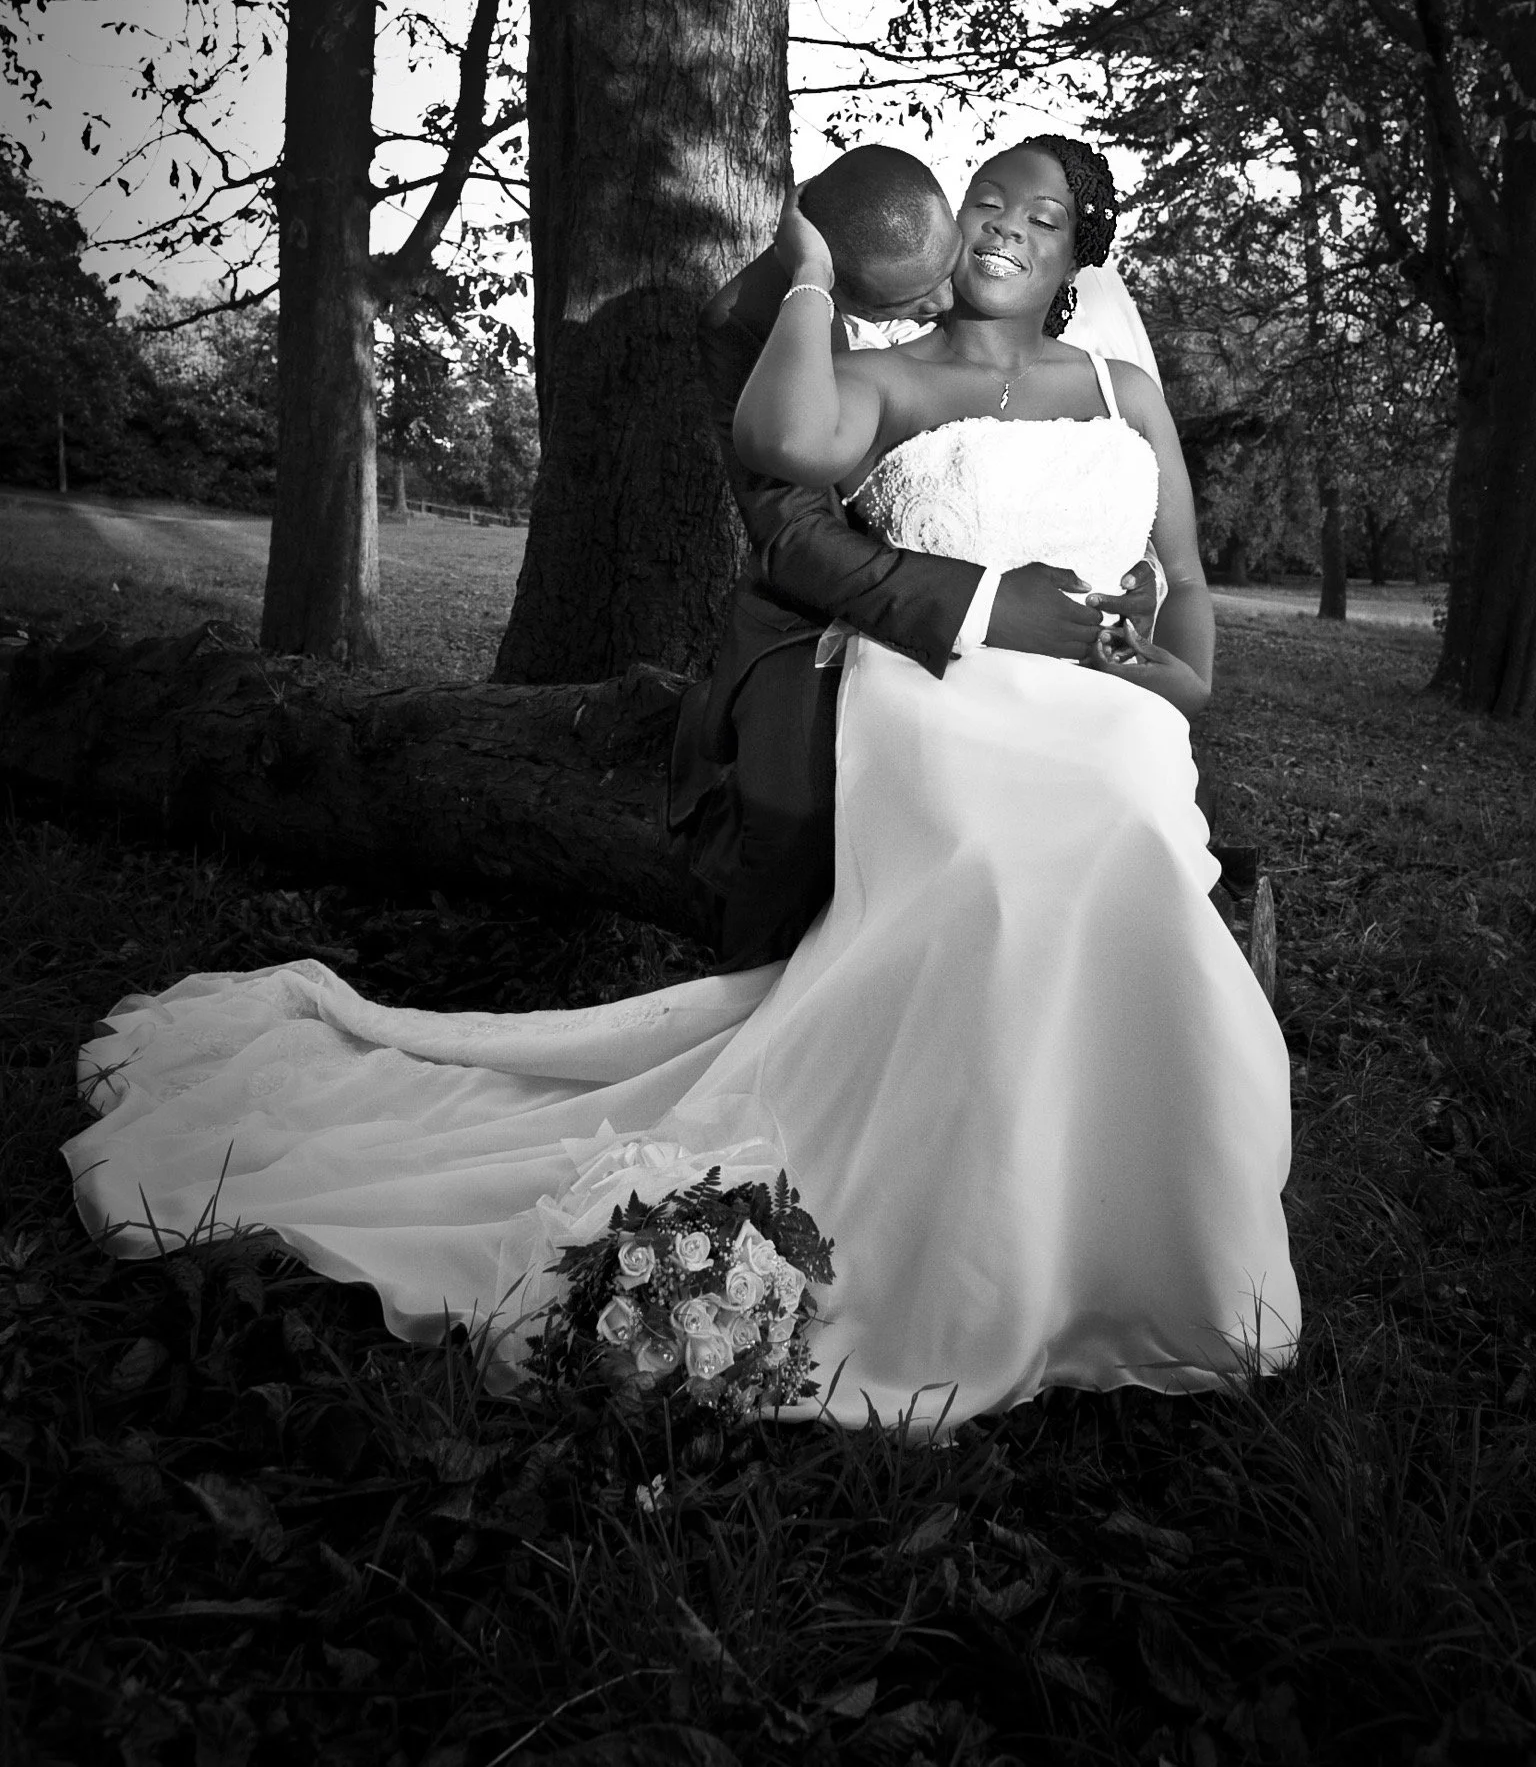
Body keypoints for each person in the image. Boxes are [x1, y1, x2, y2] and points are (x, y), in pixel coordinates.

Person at [64, 133, 1299, 1429]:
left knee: (1132, 832)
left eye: (1040, 217)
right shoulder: (891, 371)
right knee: (997, 869)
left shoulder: (1119, 386)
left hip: (1108, 706)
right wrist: (808, 270)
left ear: (1078, 255)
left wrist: (1178, 684)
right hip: (937, 690)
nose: (1004, 225)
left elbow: (1185, 578)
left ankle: (1131, 1227)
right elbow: (782, 446)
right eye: (986, 198)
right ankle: (984, 1231)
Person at [678, 142, 1157, 967]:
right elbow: (796, 542)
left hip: (971, 616)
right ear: (839, 273)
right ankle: (779, 1000)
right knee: (796, 827)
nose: (947, 296)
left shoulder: (960, 288)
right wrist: (986, 605)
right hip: (820, 623)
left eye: (944, 267)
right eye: (915, 294)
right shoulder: (748, 324)